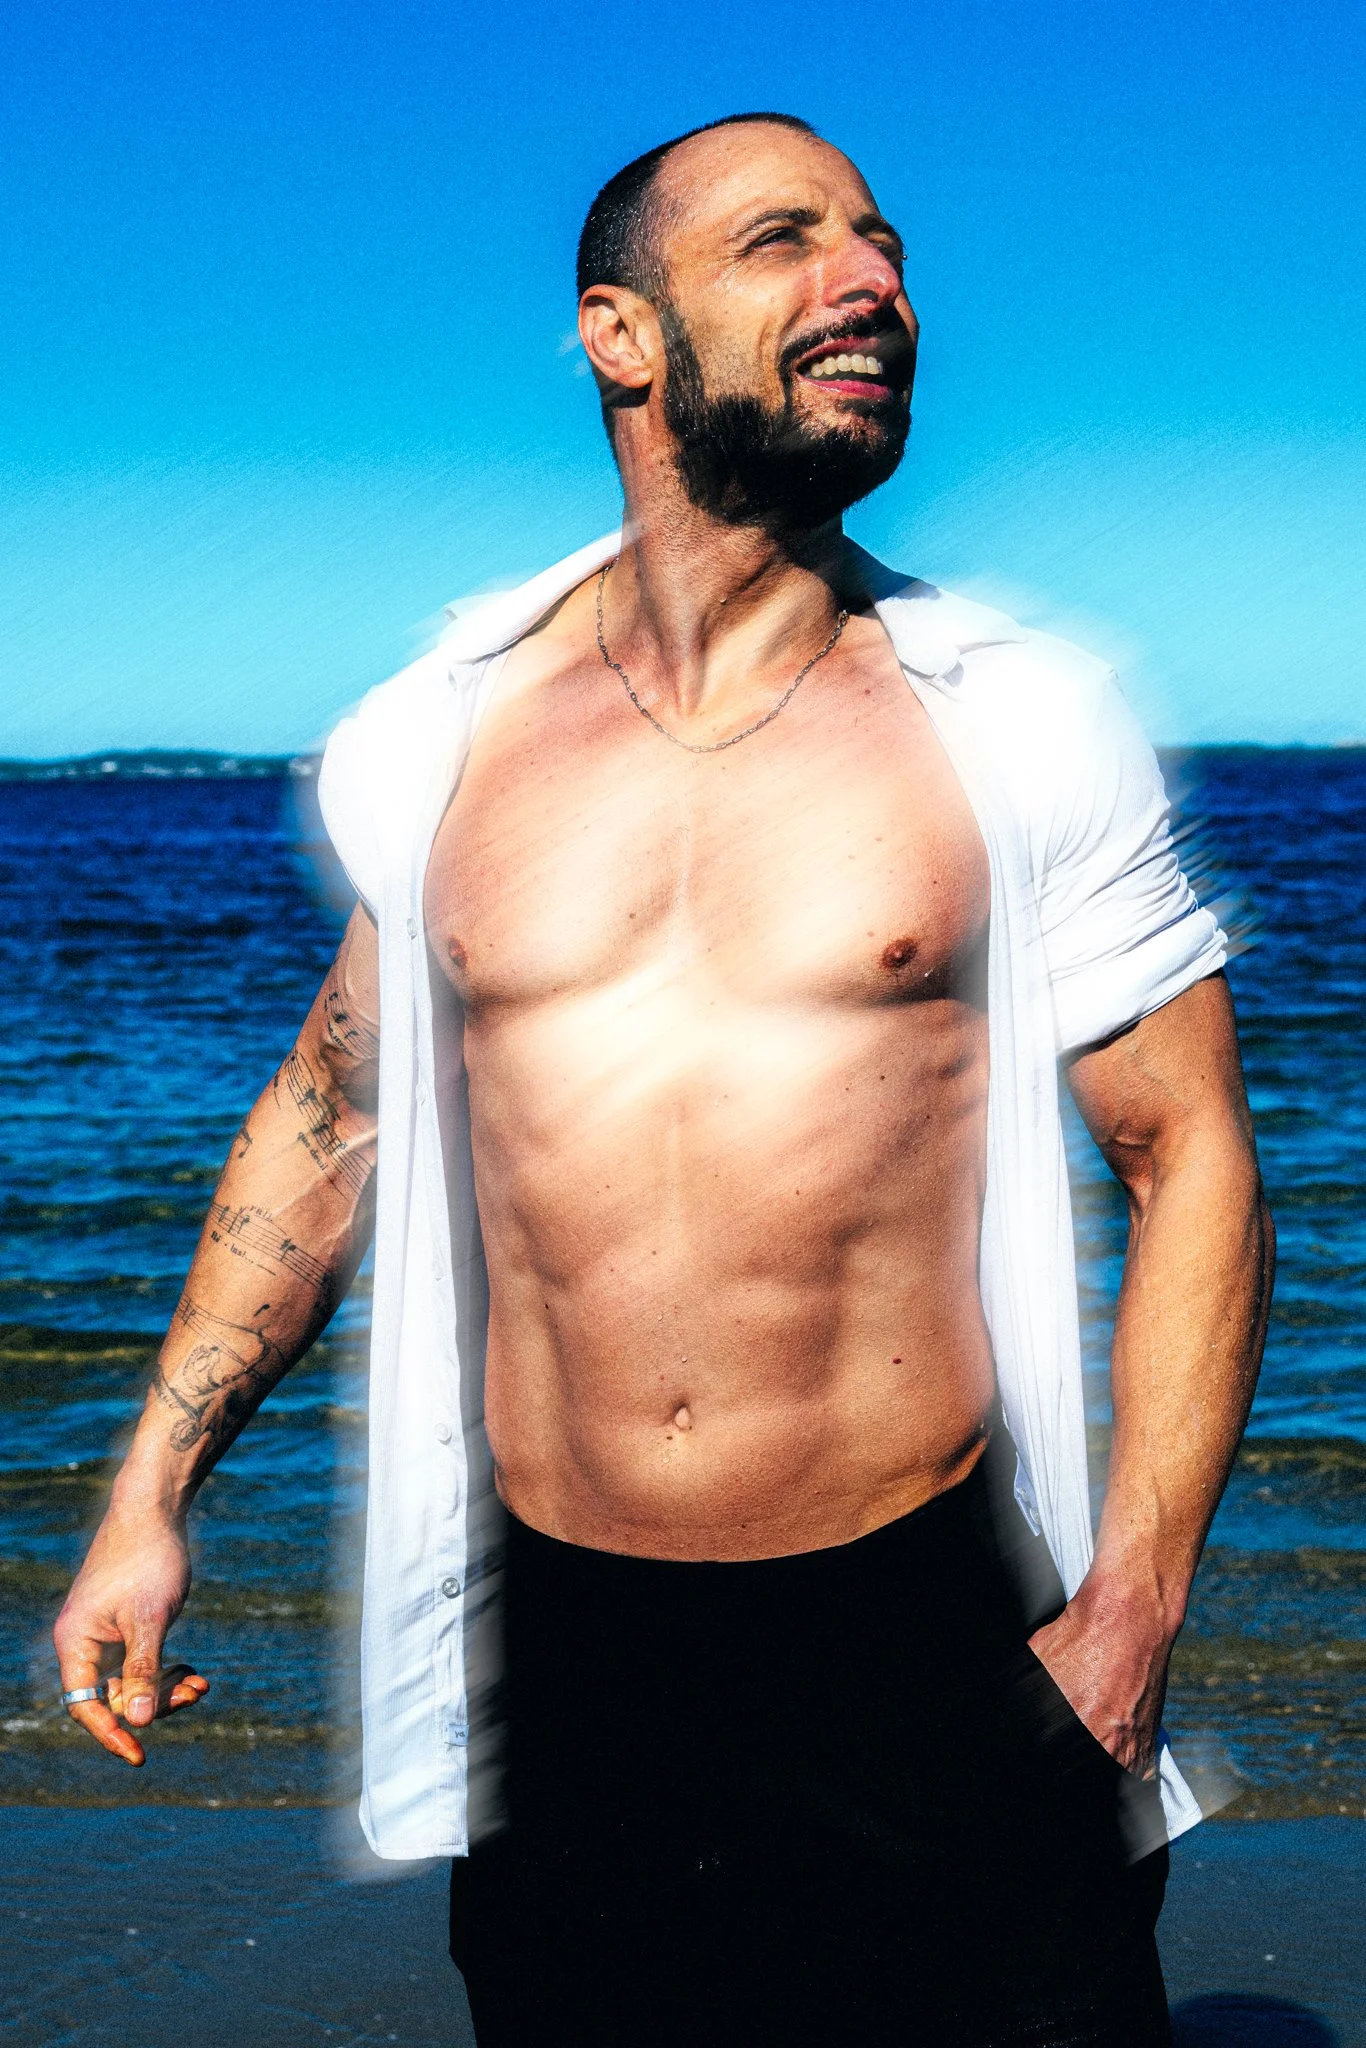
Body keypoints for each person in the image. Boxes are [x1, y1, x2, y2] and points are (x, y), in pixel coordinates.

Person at [56, 112, 1274, 2045]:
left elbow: (1187, 1153)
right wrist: (151, 1498)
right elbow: (332, 1119)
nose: (868, 280)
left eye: (877, 242)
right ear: (621, 336)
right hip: (566, 1651)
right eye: (784, 242)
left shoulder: (1010, 718)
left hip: (927, 1624)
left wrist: (1132, 1609)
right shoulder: (441, 739)